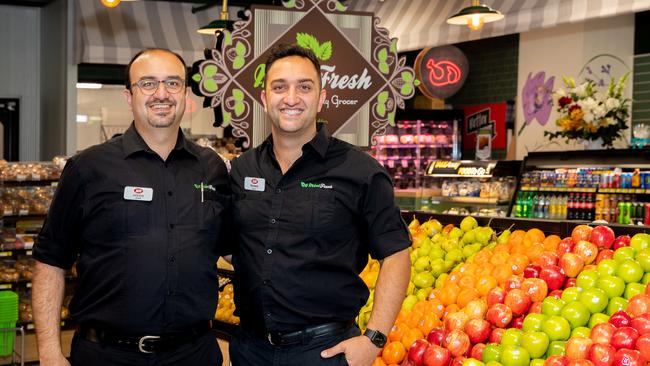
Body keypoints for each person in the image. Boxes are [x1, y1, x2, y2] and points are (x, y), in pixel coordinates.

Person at [32, 48, 230, 366]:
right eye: (148, 83)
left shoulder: (212, 168)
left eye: (173, 83)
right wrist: (49, 352)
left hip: (193, 354)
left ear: (185, 93)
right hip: (106, 355)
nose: (161, 94)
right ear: (129, 96)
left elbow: (236, 248)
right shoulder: (88, 168)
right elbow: (50, 262)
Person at [228, 44, 411, 366]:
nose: (291, 98)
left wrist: (375, 339)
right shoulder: (244, 169)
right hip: (249, 349)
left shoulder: (360, 171)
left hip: (323, 351)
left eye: (304, 86)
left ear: (321, 98)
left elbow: (396, 252)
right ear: (264, 98)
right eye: (279, 87)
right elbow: (234, 244)